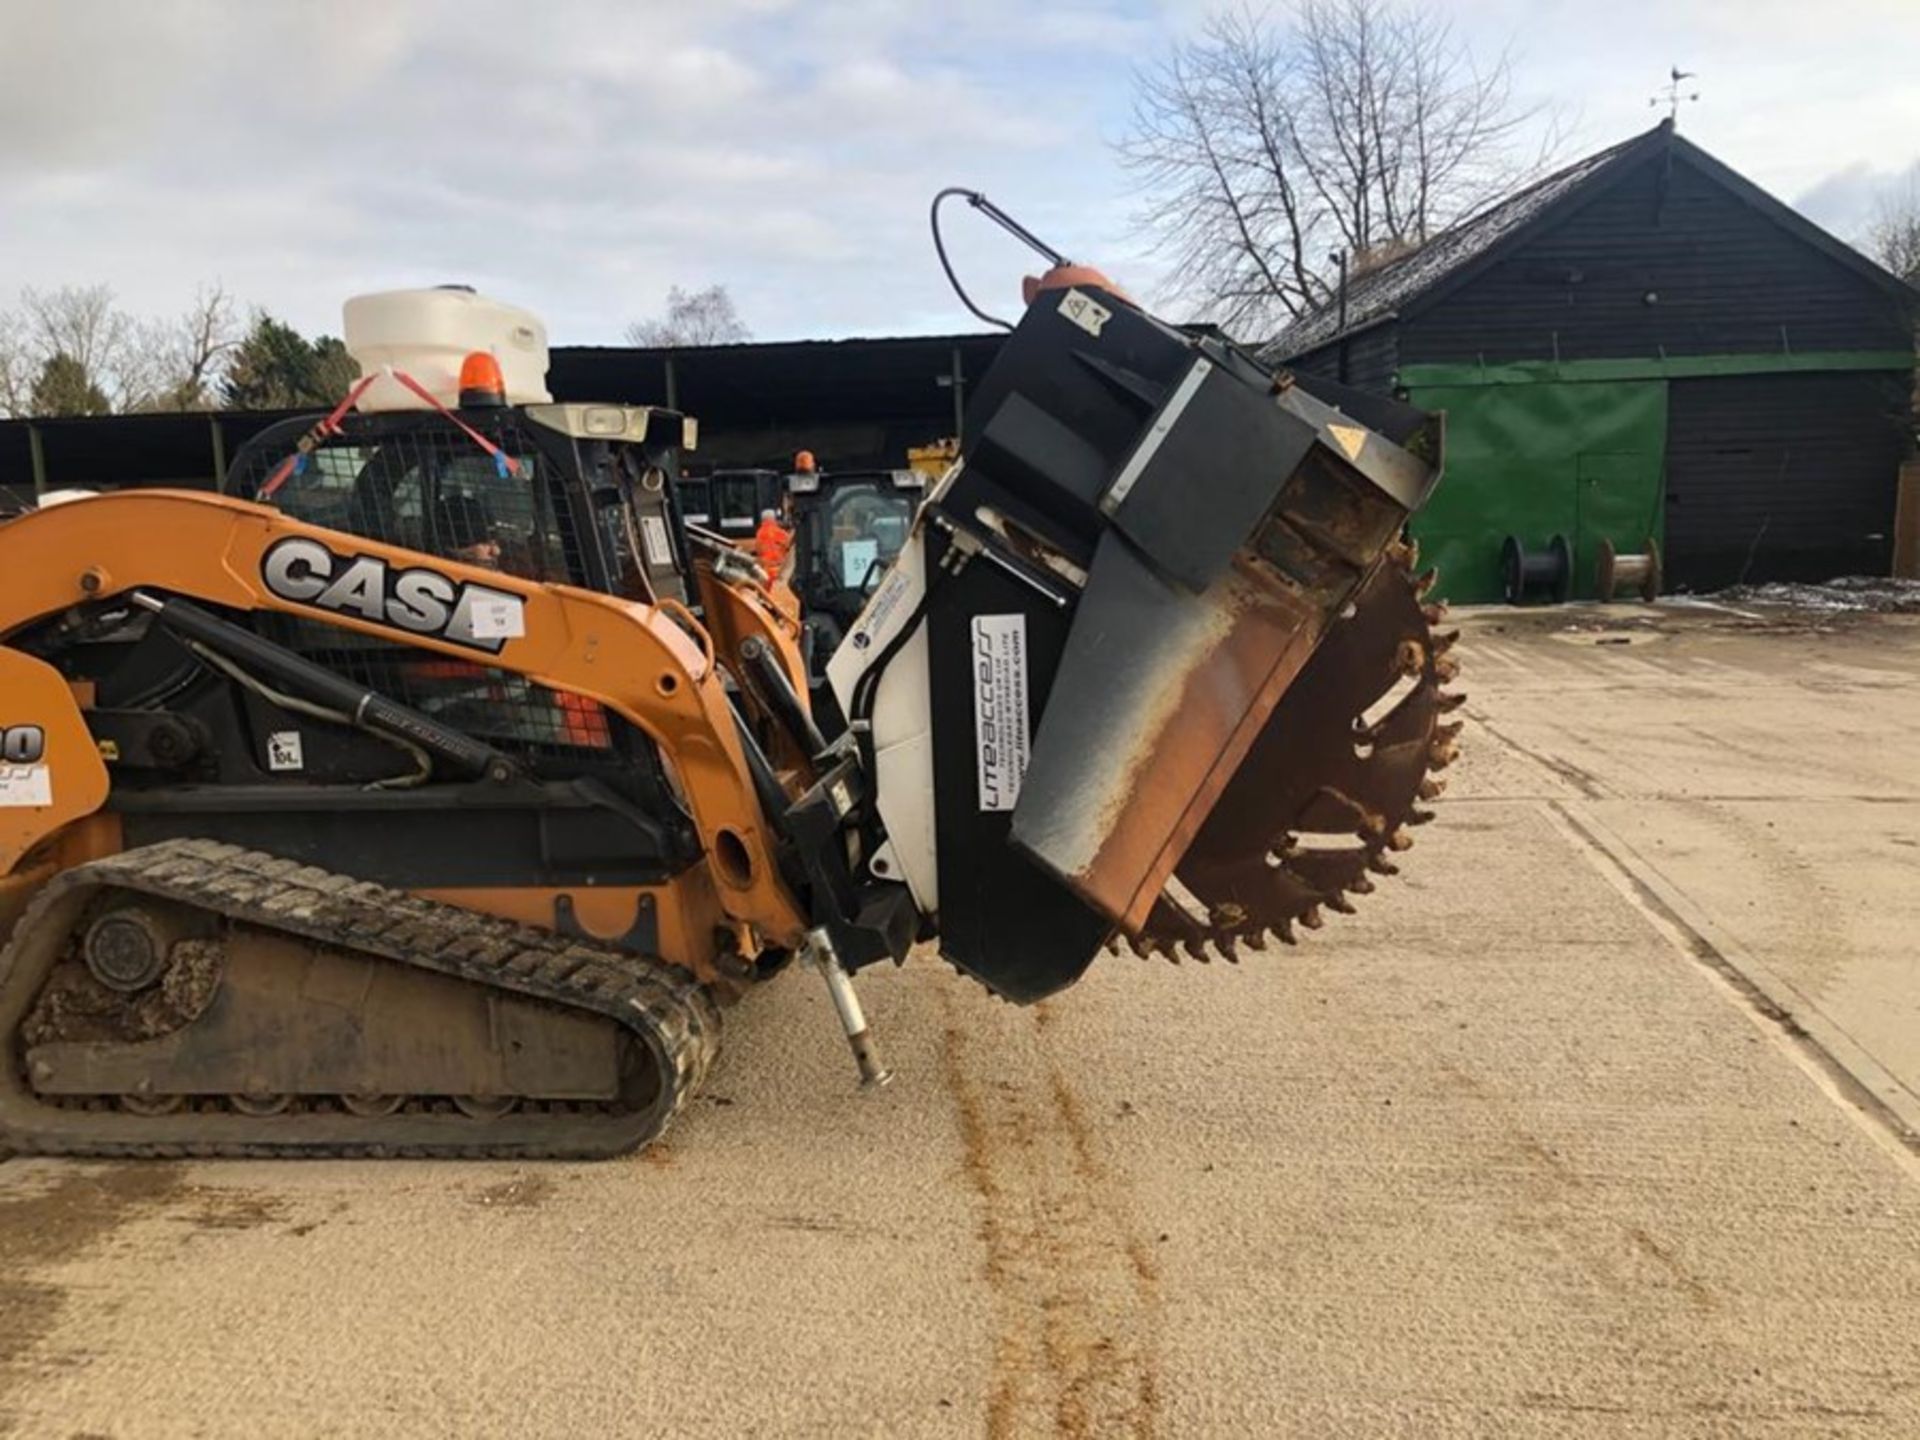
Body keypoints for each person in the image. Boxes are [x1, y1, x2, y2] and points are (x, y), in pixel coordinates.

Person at [754, 506, 793, 577]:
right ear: (774, 519)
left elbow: (758, 551)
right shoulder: (782, 533)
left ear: (762, 520)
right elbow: (789, 546)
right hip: (780, 568)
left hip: (766, 569)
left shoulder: (759, 533)